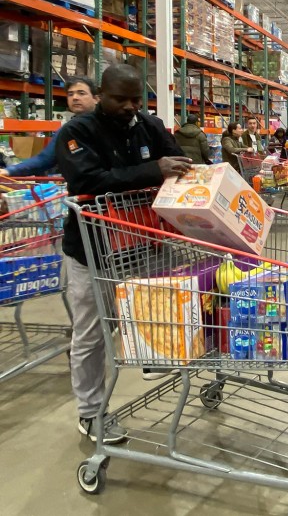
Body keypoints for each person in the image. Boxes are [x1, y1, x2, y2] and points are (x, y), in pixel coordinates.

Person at [55, 64, 192, 444]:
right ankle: (90, 411)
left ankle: (152, 356)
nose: (131, 106)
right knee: (93, 332)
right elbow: (87, 180)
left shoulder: (148, 125)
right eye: (121, 99)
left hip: (143, 243)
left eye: (137, 99)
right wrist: (153, 170)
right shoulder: (76, 132)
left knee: (162, 307)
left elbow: (177, 159)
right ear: (101, 94)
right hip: (92, 249)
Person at [1, 76, 98, 177]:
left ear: (96, 99)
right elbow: (44, 159)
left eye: (81, 93)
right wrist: (10, 171)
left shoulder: (106, 125)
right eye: (70, 94)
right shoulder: (67, 130)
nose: (75, 97)